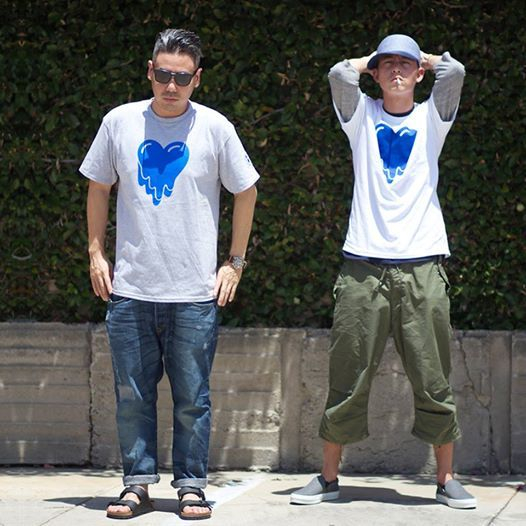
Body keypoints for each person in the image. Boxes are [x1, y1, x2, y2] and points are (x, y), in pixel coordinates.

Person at [290, 34, 476, 509]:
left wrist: (421, 58)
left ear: (420, 73)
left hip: (423, 266)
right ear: (373, 73)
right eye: (387, 64)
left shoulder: (432, 118)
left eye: (405, 64)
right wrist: (371, 61)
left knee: (433, 377)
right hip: (362, 268)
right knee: (347, 376)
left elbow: (454, 72)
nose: (396, 70)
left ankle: (446, 479)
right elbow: (338, 74)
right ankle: (328, 478)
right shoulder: (362, 117)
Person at [80, 28, 259, 520]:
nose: (171, 85)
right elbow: (98, 187)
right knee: (132, 397)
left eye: (181, 77)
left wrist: (235, 263)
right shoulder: (119, 123)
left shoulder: (215, 128)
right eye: (163, 74)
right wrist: (96, 254)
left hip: (195, 293)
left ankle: (191, 487)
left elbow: (246, 191)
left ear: (197, 79)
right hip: (131, 289)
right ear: (150, 72)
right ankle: (136, 485)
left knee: (192, 399)